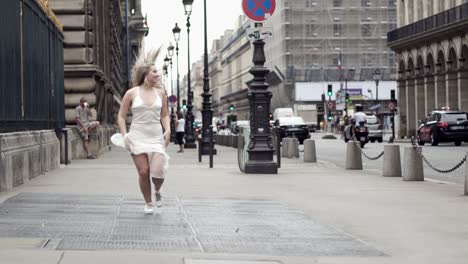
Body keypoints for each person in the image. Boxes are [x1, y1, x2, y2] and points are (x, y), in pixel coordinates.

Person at [117, 48, 170, 215]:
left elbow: (165, 114)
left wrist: (167, 129)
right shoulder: (131, 93)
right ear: (146, 74)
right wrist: (125, 135)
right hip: (137, 136)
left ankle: (157, 191)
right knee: (144, 171)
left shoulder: (161, 94)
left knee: (158, 173)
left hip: (156, 136)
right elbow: (121, 116)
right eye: (155, 71)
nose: (158, 74)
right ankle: (148, 203)